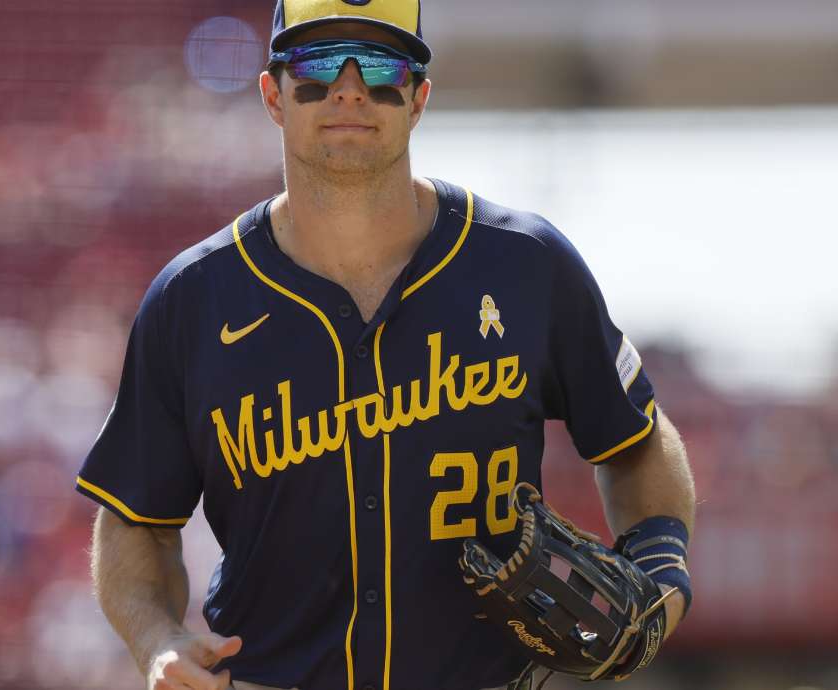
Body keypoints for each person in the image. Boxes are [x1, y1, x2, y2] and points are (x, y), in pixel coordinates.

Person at [75, 1, 696, 689]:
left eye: (379, 67)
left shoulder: (525, 263)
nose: (348, 90)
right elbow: (135, 520)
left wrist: (661, 563)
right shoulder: (192, 299)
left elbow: (634, 438)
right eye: (315, 66)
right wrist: (157, 638)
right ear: (273, 95)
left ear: (418, 98)